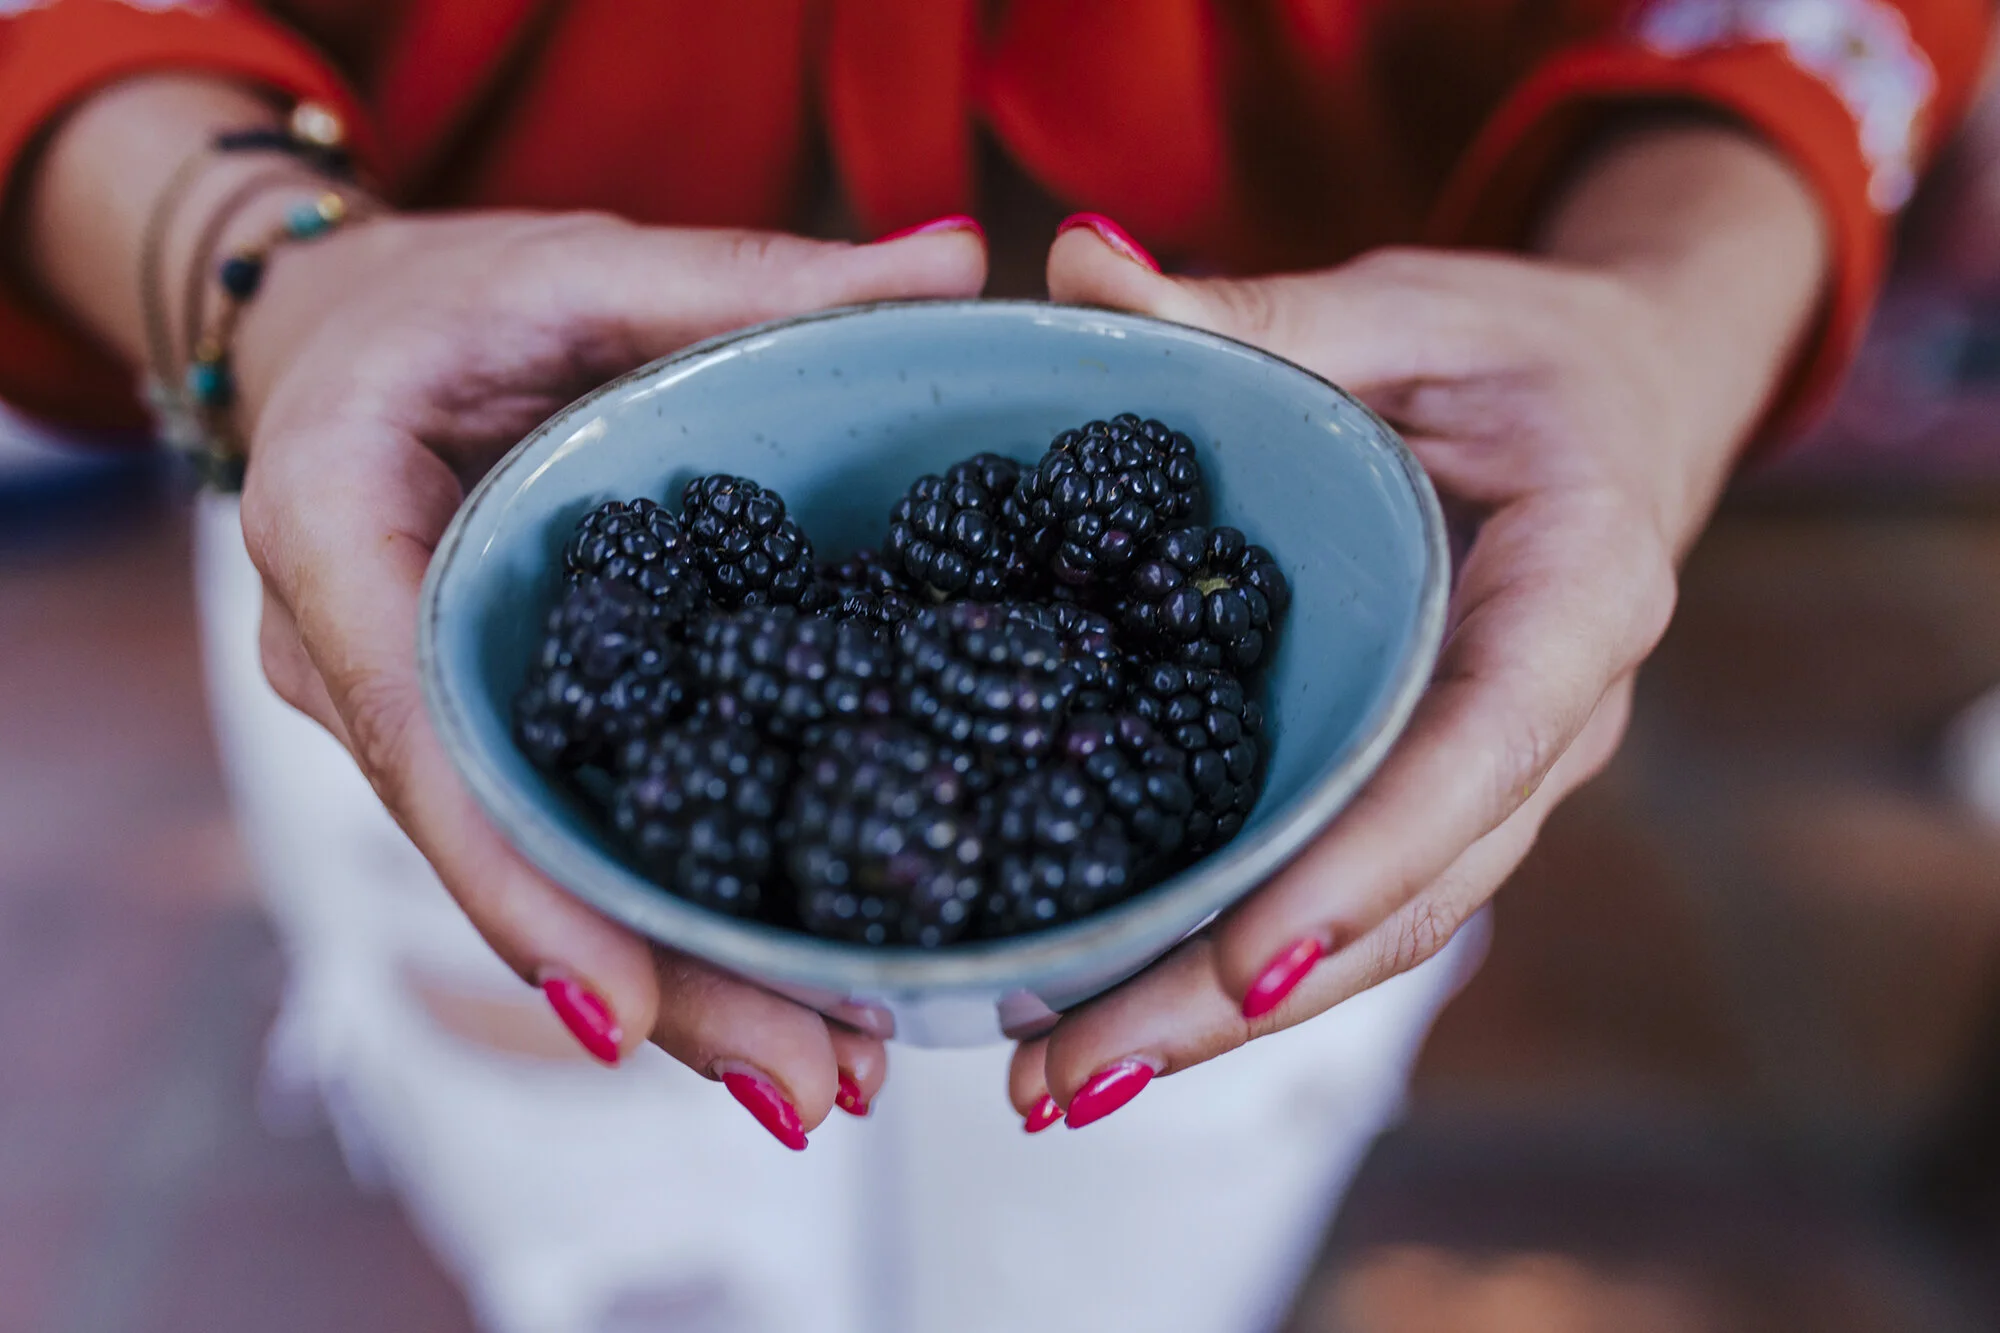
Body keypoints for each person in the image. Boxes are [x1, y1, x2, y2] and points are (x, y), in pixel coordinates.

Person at [2, 2, 1988, 1330]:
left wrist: (1670, 309)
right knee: (615, 1254)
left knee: (1127, 1264)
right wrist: (253, 265)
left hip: (1383, 464)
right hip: (431, 457)